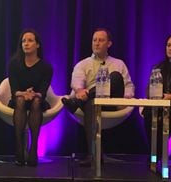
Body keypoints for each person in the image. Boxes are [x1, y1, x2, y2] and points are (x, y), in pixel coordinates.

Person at [62, 28, 134, 167]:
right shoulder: (83, 64)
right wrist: (80, 91)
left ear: (109, 44)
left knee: (114, 77)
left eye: (101, 40)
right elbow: (77, 82)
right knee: (91, 103)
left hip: (111, 101)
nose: (96, 43)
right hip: (88, 102)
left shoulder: (118, 64)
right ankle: (93, 155)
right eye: (94, 40)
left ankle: (76, 102)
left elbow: (129, 87)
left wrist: (125, 100)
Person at [8, 29, 53, 166]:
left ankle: (33, 148)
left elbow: (43, 92)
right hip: (18, 100)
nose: (26, 44)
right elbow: (14, 90)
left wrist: (33, 94)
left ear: (37, 45)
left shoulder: (46, 67)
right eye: (23, 41)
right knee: (21, 100)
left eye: (30, 40)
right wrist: (23, 93)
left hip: (37, 101)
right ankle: (19, 148)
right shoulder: (14, 64)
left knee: (36, 101)